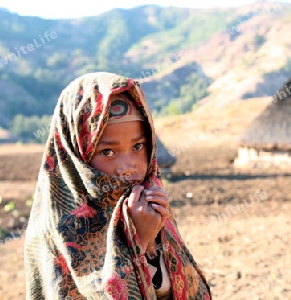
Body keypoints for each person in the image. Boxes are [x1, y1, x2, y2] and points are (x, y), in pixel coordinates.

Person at [24, 72, 211, 299]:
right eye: (108, 152)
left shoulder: (151, 204)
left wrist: (153, 247)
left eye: (138, 146)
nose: (127, 167)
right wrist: (138, 242)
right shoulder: (57, 230)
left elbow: (184, 289)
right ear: (76, 156)